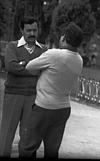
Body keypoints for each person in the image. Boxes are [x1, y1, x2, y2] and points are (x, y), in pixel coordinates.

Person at [24, 22, 83, 158]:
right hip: (63, 109)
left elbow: (30, 67)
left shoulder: (54, 54)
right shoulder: (79, 60)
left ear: (64, 38)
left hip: (44, 107)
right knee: (52, 150)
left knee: (28, 147)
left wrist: (40, 72)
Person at [0, 16, 47, 157]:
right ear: (21, 30)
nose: (32, 33)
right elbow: (10, 66)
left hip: (34, 97)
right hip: (13, 95)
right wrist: (34, 67)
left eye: (35, 30)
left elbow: (45, 70)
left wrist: (22, 64)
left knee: (28, 136)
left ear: (38, 30)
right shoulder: (12, 46)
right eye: (28, 30)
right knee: (6, 133)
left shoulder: (44, 49)